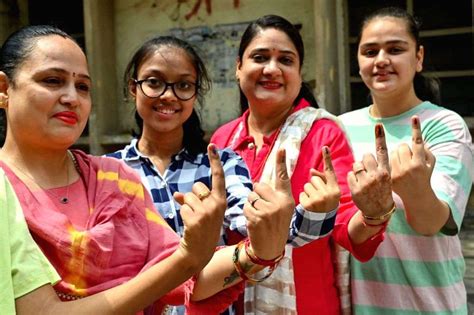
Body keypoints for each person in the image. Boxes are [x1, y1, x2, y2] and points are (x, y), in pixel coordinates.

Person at [0, 24, 296, 314]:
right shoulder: (4, 188)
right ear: (4, 89)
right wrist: (187, 257)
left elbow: (186, 278)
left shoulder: (114, 180)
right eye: (52, 80)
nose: (72, 98)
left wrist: (259, 251)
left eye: (82, 87)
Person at [107, 34, 343, 314]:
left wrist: (312, 216)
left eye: (183, 85)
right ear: (133, 88)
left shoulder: (220, 165)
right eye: (154, 82)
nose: (168, 95)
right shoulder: (108, 171)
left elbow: (256, 226)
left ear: (195, 93)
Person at [211, 14, 391, 315]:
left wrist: (372, 214)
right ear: (239, 68)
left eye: (286, 60)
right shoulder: (223, 139)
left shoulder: (322, 133)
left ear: (298, 73)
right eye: (260, 57)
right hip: (231, 302)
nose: (272, 69)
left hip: (308, 305)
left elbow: (347, 226)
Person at [339, 7, 474, 314]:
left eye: (396, 49)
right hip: (362, 305)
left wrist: (415, 188)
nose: (382, 60)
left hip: (431, 304)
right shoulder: (340, 127)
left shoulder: (444, 125)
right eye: (370, 51)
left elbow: (432, 223)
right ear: (358, 61)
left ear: (419, 58)